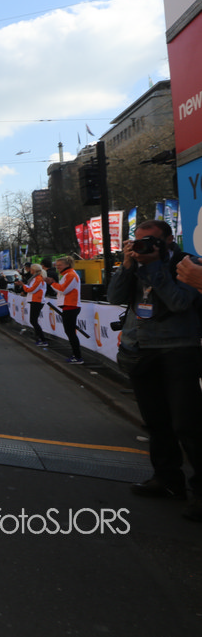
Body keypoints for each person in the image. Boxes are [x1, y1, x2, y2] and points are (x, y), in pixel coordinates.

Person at [107, 220, 202, 522]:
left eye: (151, 241)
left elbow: (178, 302)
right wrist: (127, 265)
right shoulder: (135, 264)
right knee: (156, 422)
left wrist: (154, 266)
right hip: (141, 350)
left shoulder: (188, 264)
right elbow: (114, 297)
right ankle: (167, 480)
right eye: (139, 240)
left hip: (178, 350)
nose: (143, 246)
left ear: (169, 240)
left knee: (187, 425)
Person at [50, 257, 83, 364]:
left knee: (70, 332)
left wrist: (52, 283)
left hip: (71, 306)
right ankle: (76, 355)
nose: (57, 267)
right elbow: (62, 289)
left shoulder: (70, 275)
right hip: (69, 306)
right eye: (57, 265)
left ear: (67, 265)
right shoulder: (67, 275)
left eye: (60, 265)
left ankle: (77, 356)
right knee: (70, 332)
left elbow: (63, 290)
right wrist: (53, 284)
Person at [24, 263, 49, 346]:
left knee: (33, 321)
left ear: (34, 270)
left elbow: (32, 289)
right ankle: (40, 338)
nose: (30, 270)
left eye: (31, 269)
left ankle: (42, 339)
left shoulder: (38, 278)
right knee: (33, 321)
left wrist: (23, 286)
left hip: (37, 301)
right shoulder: (37, 278)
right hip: (36, 300)